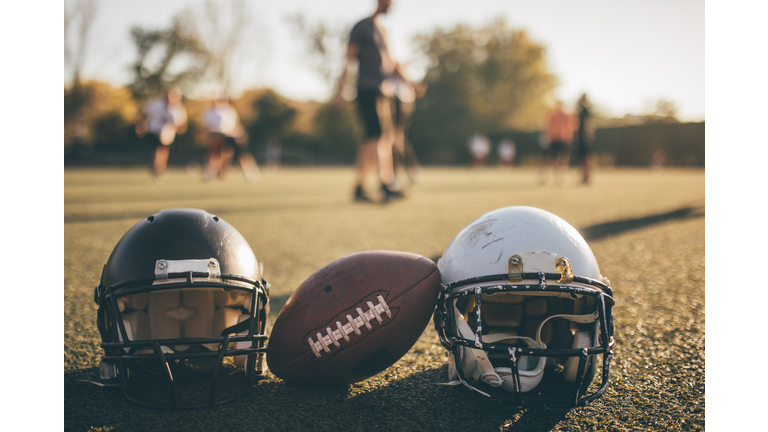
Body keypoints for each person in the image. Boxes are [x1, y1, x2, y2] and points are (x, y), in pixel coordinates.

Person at [334, 0, 418, 203]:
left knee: (373, 140)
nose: (391, 4)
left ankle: (360, 187)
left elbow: (390, 62)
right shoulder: (362, 27)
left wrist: (409, 82)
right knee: (378, 138)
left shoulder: (383, 30)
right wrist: (340, 90)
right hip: (367, 90)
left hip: (384, 92)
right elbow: (349, 58)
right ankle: (387, 183)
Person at [199, 98, 260, 182]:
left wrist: (239, 135)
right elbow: (204, 127)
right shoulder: (209, 112)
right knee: (215, 155)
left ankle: (250, 172)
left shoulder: (230, 110)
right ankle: (210, 173)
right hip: (216, 136)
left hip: (231, 136)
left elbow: (236, 125)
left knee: (241, 155)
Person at [135, 89, 188, 183]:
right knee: (159, 149)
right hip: (153, 131)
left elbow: (181, 124)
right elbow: (143, 114)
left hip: (168, 134)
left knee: (164, 151)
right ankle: (157, 168)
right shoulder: (155, 104)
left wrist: (178, 130)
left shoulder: (178, 108)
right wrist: (141, 125)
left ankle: (159, 168)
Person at [539, 100, 575, 186]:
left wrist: (569, 135)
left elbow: (571, 126)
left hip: (564, 139)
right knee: (551, 158)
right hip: (554, 139)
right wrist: (546, 136)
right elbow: (548, 126)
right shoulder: (552, 115)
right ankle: (544, 176)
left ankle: (561, 177)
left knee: (563, 158)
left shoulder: (567, 115)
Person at [574, 94, 596, 184]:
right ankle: (583, 177)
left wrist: (588, 135)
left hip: (585, 138)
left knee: (587, 158)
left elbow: (589, 123)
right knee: (582, 158)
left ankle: (588, 177)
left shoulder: (586, 110)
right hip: (580, 138)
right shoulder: (579, 110)